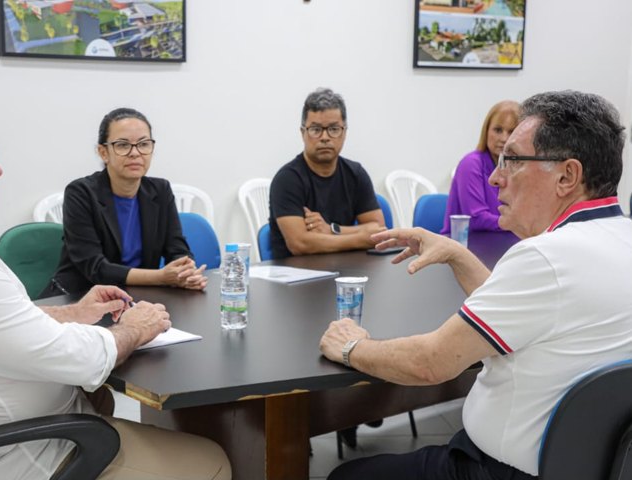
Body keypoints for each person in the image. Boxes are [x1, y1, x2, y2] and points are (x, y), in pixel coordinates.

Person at [0, 83, 231, 480]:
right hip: (32, 454)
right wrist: (134, 329)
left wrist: (71, 312)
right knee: (212, 459)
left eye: (144, 144)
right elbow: (84, 358)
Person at [321, 90, 632, 479]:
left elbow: (430, 363)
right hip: (592, 465)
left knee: (342, 475)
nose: (495, 177)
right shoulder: (619, 239)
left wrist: (350, 346)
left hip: (497, 470)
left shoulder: (545, 257)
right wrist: (457, 254)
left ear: (567, 176)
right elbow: (526, 312)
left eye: (513, 161)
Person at [41, 107, 206, 299]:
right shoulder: (81, 193)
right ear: (104, 152)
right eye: (122, 145)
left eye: (143, 144)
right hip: (81, 298)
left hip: (136, 297)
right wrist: (162, 277)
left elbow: (177, 249)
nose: (135, 153)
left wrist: (185, 272)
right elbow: (95, 268)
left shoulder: (160, 190)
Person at [268, 88, 388, 260]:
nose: (325, 137)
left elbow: (378, 230)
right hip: (298, 278)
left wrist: (332, 229)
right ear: (303, 133)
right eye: (316, 129)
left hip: (348, 272)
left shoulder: (355, 174)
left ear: (344, 132)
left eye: (333, 129)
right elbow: (300, 244)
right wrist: (361, 237)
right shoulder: (287, 179)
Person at [442, 100, 520, 235]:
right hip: (467, 244)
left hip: (503, 240)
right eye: (498, 130)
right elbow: (476, 218)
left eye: (511, 132)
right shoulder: (470, 164)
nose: (504, 138)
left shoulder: (519, 167)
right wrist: (517, 224)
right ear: (486, 131)